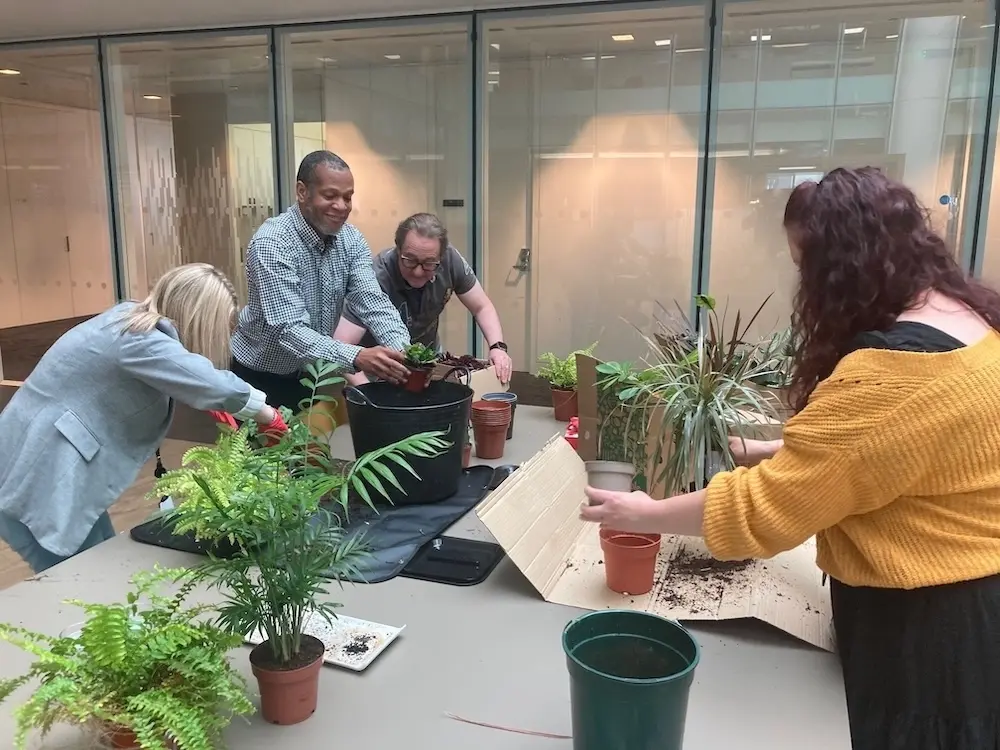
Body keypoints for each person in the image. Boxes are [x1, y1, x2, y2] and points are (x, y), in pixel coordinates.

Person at [580, 167, 1000, 750]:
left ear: (844, 269)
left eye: (808, 268)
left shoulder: (889, 379)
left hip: (925, 639)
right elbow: (900, 451)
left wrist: (642, 512)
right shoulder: (969, 324)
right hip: (978, 602)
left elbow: (766, 509)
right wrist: (770, 450)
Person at [0, 263, 286, 574]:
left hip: (38, 465)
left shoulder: (125, 322)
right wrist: (268, 415)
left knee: (99, 566)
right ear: (201, 318)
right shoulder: (139, 338)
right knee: (80, 580)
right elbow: (211, 382)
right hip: (40, 475)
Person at [231, 150, 412, 409]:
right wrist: (357, 356)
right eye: (330, 196)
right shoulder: (272, 244)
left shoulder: (351, 240)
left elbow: (373, 302)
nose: (342, 206)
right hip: (258, 378)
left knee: (309, 437)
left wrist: (404, 352)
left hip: (311, 375)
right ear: (302, 192)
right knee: (262, 439)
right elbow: (289, 331)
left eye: (347, 197)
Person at [332, 213, 513, 385]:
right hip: (377, 371)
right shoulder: (375, 277)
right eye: (410, 260)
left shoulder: (450, 260)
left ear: (441, 256)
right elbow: (342, 346)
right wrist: (367, 391)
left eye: (428, 264)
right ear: (398, 249)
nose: (418, 272)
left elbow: (481, 307)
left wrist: (497, 347)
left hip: (428, 361)